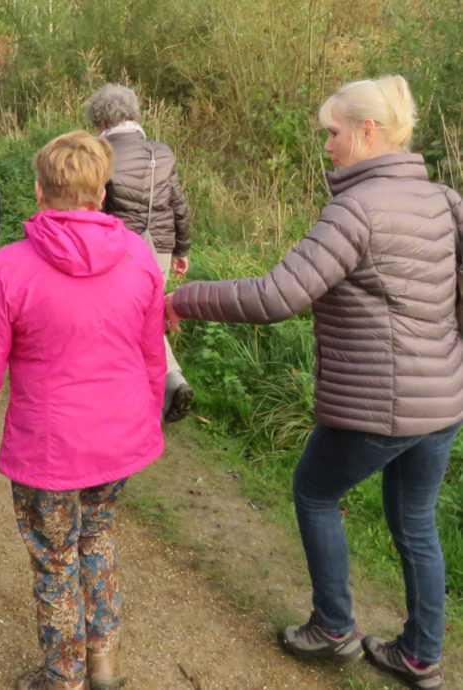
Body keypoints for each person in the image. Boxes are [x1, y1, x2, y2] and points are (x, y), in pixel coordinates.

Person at [165, 75, 463, 690]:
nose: (327, 145)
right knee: (416, 522)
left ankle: (333, 628)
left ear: (367, 131)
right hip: (443, 401)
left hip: (378, 408)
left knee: (314, 491)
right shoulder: (446, 200)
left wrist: (185, 298)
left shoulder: (356, 210)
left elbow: (276, 295)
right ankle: (420, 655)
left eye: (333, 133)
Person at [0, 131, 166, 690]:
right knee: (100, 538)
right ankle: (104, 663)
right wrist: (148, 415)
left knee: (56, 558)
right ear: (102, 191)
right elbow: (151, 352)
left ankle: (63, 675)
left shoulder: (11, 267)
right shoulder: (138, 255)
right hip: (117, 439)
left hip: (51, 449)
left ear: (40, 190)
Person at [85, 83, 193, 424]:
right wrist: (181, 249)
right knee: (149, 320)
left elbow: (96, 209)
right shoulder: (161, 152)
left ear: (100, 120)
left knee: (118, 325)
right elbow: (178, 203)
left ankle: (129, 396)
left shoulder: (99, 152)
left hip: (118, 249)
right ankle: (171, 381)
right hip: (159, 250)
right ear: (132, 114)